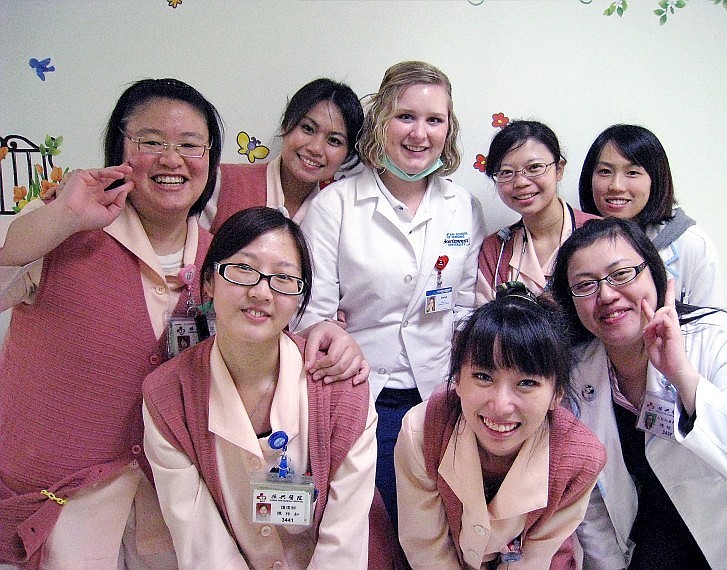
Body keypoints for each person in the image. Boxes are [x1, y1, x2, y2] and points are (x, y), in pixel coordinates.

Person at [0, 78, 366, 569]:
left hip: (172, 507)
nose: (172, 159)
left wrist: (327, 336)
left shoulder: (222, 263)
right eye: (151, 142)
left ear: (210, 160)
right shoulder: (62, 236)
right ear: (120, 151)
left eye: (191, 145)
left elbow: (256, 341)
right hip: (60, 505)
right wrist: (62, 216)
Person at [298, 61, 485, 527]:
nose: (419, 133)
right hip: (361, 394)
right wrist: (329, 338)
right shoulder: (334, 206)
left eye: (434, 120)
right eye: (406, 116)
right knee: (374, 525)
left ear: (449, 128)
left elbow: (464, 308)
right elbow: (311, 314)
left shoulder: (463, 208)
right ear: (382, 120)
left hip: (443, 397)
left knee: (440, 527)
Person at [143, 207, 377, 569]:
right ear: (209, 281)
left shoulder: (342, 390)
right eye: (243, 269)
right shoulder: (168, 397)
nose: (261, 292)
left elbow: (343, 545)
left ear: (300, 296)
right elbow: (203, 544)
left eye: (283, 278)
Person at [551, 217, 727, 569]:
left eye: (621, 275)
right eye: (585, 285)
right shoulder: (577, 373)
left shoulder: (720, 338)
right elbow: (592, 503)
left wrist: (685, 380)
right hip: (650, 549)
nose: (606, 295)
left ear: (657, 276)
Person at [395, 284, 607, 568]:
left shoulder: (579, 459)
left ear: (557, 394)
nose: (501, 405)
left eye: (527, 383)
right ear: (456, 378)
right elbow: (425, 547)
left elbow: (535, 559)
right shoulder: (423, 431)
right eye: (483, 376)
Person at [578, 124, 723, 307]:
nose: (616, 186)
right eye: (605, 172)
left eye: (632, 173)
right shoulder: (576, 242)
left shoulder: (692, 244)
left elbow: (711, 325)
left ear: (655, 180)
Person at [201, 78, 364, 232]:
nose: (315, 148)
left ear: (347, 153)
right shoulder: (224, 182)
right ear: (286, 125)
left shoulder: (338, 212)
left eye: (334, 140)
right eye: (308, 129)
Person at [477, 120, 598, 304]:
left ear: (559, 169)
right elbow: (486, 326)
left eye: (534, 167)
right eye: (506, 172)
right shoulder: (496, 249)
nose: (521, 182)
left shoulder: (601, 233)